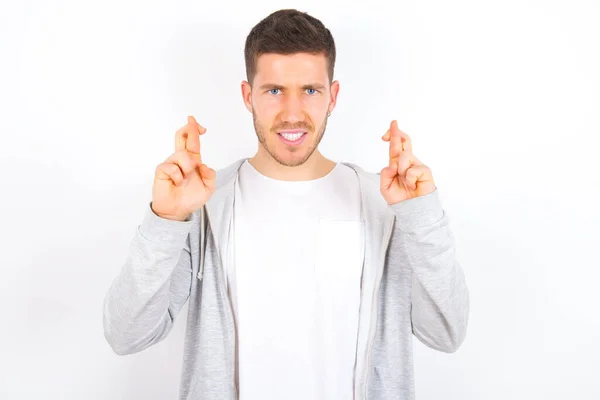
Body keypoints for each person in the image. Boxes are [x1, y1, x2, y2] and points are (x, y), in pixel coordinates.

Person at [102, 8, 470, 400]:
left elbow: (446, 333)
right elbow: (127, 335)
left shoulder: (383, 206)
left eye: (310, 90)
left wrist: (422, 217)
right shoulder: (207, 204)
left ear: (333, 96)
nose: (292, 113)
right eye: (274, 90)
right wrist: (166, 220)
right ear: (248, 96)